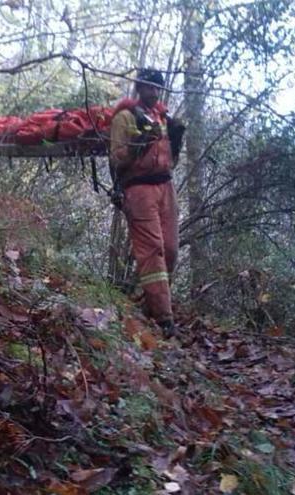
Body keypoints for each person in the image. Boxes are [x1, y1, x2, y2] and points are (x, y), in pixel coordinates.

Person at [109, 69, 180, 336]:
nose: (154, 93)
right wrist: (137, 144)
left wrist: (177, 138)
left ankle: (151, 306)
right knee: (153, 250)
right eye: (149, 87)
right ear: (139, 87)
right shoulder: (125, 117)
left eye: (157, 88)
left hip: (165, 187)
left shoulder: (161, 116)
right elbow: (117, 158)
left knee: (171, 249)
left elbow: (170, 157)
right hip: (139, 189)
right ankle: (164, 319)